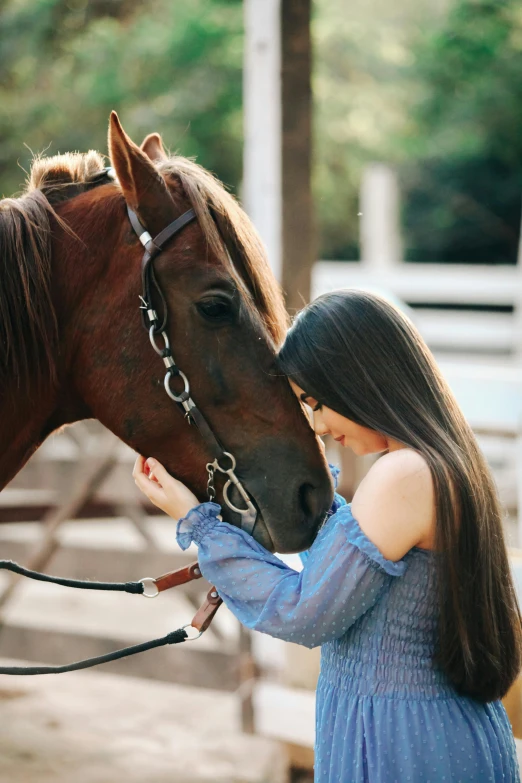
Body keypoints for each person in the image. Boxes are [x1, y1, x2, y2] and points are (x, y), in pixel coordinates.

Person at [133, 288, 521, 782]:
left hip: (402, 743)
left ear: (360, 379)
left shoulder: (403, 475)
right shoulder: (438, 464)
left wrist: (198, 523)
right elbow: (336, 569)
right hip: (424, 731)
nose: (316, 425)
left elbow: (303, 613)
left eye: (317, 402)